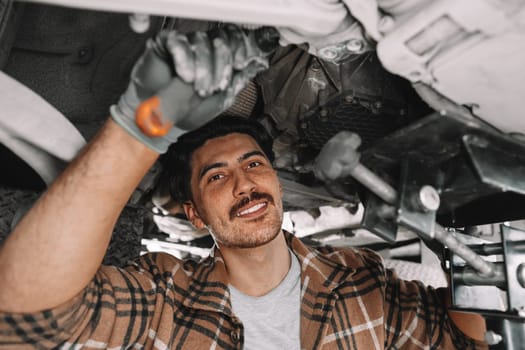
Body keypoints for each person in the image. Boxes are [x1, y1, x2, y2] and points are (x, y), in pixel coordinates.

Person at [0, 26, 487, 349]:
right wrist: (137, 129)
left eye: (254, 163)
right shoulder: (166, 302)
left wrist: (454, 229)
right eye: (216, 176)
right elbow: (29, 323)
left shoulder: (371, 287)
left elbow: (465, 334)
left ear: (276, 178)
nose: (245, 183)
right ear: (194, 214)